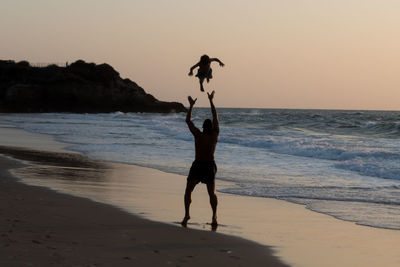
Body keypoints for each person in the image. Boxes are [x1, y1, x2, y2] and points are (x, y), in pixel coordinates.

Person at [182, 90, 220, 227]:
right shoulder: (215, 135)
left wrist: (191, 106)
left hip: (200, 165)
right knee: (211, 193)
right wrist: (211, 101)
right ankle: (214, 217)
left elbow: (187, 121)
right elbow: (215, 115)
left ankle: (187, 214)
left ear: (204, 127)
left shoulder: (198, 134)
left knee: (189, 190)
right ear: (211, 127)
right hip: (208, 165)